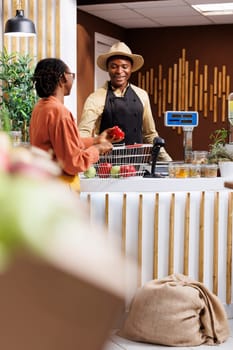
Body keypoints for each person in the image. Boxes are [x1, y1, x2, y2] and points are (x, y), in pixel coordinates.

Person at [29, 58, 120, 192]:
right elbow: (73, 163)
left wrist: (96, 140)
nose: (73, 79)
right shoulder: (60, 112)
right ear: (63, 78)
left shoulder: (41, 108)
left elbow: (63, 145)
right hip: (60, 191)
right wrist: (98, 149)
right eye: (72, 75)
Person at [78, 41, 172, 161]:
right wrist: (81, 157)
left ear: (131, 68)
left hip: (135, 165)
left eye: (124, 66)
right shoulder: (96, 97)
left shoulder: (142, 95)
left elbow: (150, 134)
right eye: (113, 66)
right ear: (107, 69)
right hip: (105, 166)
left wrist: (168, 163)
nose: (119, 71)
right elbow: (83, 132)